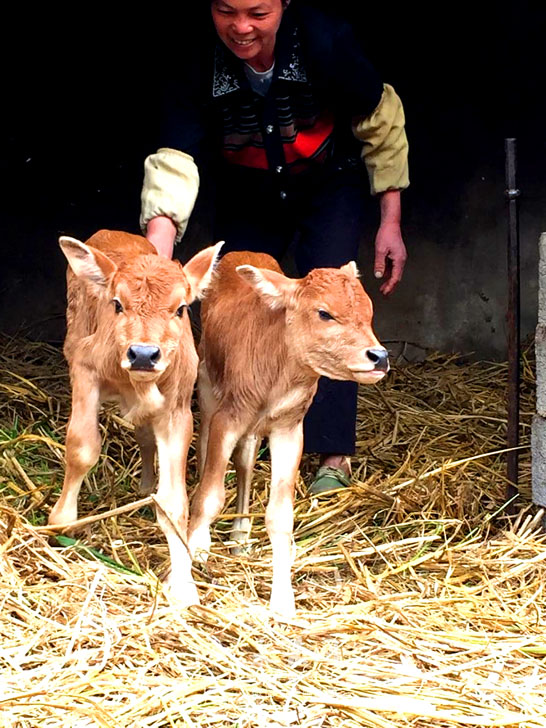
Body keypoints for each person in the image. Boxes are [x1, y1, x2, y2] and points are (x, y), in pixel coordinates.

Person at [140, 0, 409, 494]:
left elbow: (380, 117)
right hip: (248, 188)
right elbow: (175, 156)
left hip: (329, 184)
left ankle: (332, 454)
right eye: (225, 11)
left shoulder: (325, 41)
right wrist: (157, 262)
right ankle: (251, 425)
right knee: (246, 304)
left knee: (331, 306)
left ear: (284, 3)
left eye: (257, 14)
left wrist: (390, 220)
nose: (240, 28)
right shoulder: (197, 57)